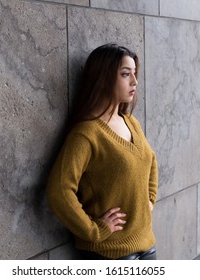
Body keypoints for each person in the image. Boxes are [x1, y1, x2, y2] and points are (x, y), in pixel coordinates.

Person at [46, 43, 158, 260]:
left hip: (147, 244)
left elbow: (151, 160)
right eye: (126, 74)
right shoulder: (87, 133)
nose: (134, 82)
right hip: (111, 254)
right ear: (103, 78)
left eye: (134, 74)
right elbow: (59, 190)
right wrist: (94, 230)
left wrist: (149, 201)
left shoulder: (130, 122)